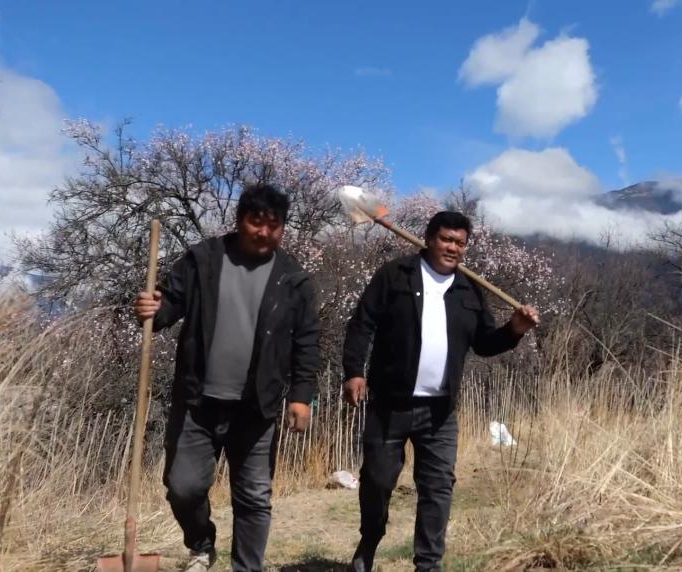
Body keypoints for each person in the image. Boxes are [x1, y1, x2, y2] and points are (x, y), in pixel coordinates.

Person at [133, 183, 319, 572]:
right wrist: (154, 308)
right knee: (183, 487)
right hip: (198, 400)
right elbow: (170, 304)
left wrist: (301, 396)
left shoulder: (293, 279)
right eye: (256, 222)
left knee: (253, 496)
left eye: (273, 225)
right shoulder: (204, 259)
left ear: (283, 228)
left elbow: (306, 341)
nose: (263, 232)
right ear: (239, 220)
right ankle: (202, 543)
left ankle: (247, 567)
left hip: (257, 405)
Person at [342, 211, 539, 572]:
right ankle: (369, 540)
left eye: (460, 243)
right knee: (377, 482)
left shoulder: (469, 289)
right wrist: (354, 371)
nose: (452, 248)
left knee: (438, 487)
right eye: (446, 239)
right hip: (389, 404)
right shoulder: (395, 275)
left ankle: (428, 563)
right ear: (429, 239)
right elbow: (361, 324)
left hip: (440, 411)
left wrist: (515, 329)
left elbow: (484, 344)